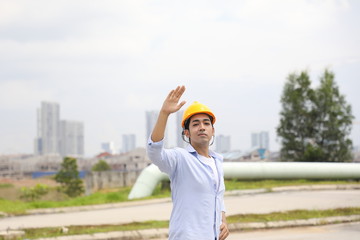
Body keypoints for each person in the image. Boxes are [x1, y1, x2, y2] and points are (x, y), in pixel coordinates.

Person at [147, 85, 229, 240]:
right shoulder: (180, 159)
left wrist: (223, 220)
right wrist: (164, 114)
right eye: (195, 124)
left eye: (206, 123)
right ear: (187, 133)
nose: (202, 127)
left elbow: (218, 196)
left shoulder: (217, 162)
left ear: (213, 130)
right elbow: (154, 151)